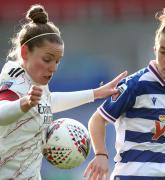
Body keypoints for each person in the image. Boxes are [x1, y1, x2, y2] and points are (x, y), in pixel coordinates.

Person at [0, 4, 127, 180]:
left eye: (57, 61)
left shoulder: (36, 81)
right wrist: (24, 103)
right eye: (47, 59)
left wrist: (96, 93)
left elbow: (49, 101)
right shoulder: (15, 80)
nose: (53, 68)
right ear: (25, 52)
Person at [84, 3, 165, 180]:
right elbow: (97, 120)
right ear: (154, 50)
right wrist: (101, 155)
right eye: (163, 52)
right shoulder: (135, 85)